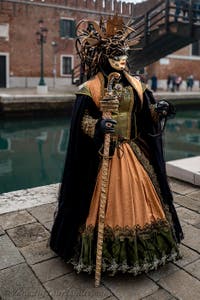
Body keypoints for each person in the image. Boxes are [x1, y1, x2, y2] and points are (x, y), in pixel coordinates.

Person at [50, 15, 183, 281]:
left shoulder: (136, 84)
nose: (121, 62)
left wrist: (160, 109)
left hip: (133, 150)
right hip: (104, 155)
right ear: (103, 58)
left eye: (123, 57)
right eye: (115, 58)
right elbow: (82, 122)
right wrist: (98, 127)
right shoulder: (91, 89)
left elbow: (145, 117)